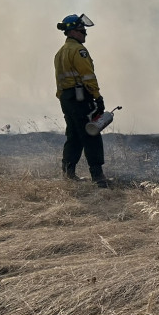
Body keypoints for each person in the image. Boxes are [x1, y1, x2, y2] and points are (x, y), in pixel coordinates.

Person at [54, 13, 109, 187]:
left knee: (74, 135)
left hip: (66, 99)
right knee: (90, 133)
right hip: (80, 99)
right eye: (82, 30)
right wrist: (97, 97)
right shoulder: (78, 50)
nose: (85, 33)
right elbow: (88, 76)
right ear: (73, 32)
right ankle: (98, 177)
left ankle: (68, 173)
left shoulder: (60, 52)